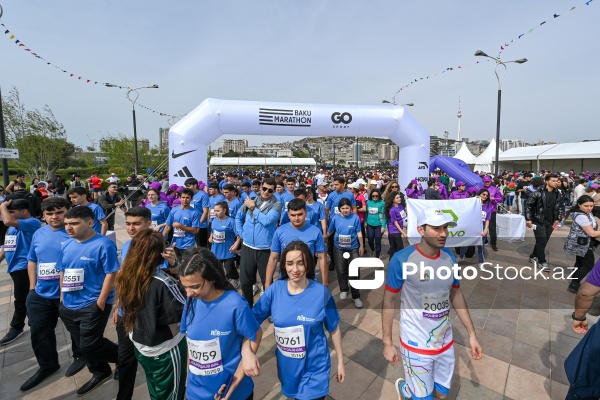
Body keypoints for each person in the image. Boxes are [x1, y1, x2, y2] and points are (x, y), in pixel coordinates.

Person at [382, 207, 483, 400]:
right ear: (421, 230)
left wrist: (471, 334)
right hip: (415, 343)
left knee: (441, 394)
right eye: (436, 228)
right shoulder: (402, 259)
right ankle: (408, 389)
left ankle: (408, 389)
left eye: (445, 227)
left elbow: (456, 293)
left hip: (444, 342)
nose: (443, 233)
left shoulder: (449, 257)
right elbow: (389, 300)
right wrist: (388, 342)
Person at [253, 241, 345, 400]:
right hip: (288, 370)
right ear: (283, 265)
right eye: (289, 263)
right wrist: (247, 352)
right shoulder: (275, 290)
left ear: (308, 264)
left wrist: (340, 362)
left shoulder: (321, 294)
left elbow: (334, 328)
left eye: (300, 263)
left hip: (315, 370)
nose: (295, 269)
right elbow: (250, 321)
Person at [179, 248, 262, 400]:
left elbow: (255, 333)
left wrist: (233, 385)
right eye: (185, 287)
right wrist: (187, 380)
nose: (188, 293)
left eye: (195, 286)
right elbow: (191, 345)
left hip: (233, 394)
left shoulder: (235, 305)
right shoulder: (191, 302)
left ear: (212, 278)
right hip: (195, 394)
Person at [21, 198, 84, 391]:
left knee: (76, 330)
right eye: (49, 213)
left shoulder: (76, 233)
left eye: (59, 212)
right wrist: (32, 288)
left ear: (68, 212)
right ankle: (47, 365)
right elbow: (32, 260)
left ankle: (81, 356)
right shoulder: (39, 233)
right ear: (43, 215)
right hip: (40, 294)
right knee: (39, 332)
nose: (54, 217)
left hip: (70, 293)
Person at [114, 206, 177, 400]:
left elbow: (167, 280)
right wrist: (118, 306)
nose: (131, 228)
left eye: (136, 224)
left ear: (149, 224)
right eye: (128, 224)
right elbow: (123, 278)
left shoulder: (155, 246)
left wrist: (174, 264)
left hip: (147, 318)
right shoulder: (126, 246)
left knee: (154, 369)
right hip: (126, 314)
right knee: (125, 359)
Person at [56, 206, 119, 396]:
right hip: (68, 304)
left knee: (89, 344)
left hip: (93, 303)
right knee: (82, 343)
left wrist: (101, 301)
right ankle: (100, 371)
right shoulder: (66, 244)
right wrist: (62, 297)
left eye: (74, 223)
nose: (69, 227)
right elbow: (62, 271)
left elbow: (111, 273)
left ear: (90, 223)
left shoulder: (103, 244)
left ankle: (124, 357)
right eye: (67, 223)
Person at [0, 199, 42, 345]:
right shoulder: (13, 226)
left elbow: (7, 220)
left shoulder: (33, 222)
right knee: (25, 296)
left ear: (23, 211)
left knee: (21, 298)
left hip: (24, 267)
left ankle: (17, 327)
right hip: (14, 267)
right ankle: (34, 320)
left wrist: (2, 206)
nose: (8, 214)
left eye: (11, 212)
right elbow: (8, 245)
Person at [235, 178, 282, 306]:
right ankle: (248, 307)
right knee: (245, 282)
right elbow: (238, 217)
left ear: (274, 192)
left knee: (267, 282)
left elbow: (267, 220)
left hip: (265, 249)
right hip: (247, 247)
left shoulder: (277, 204)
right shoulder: (252, 200)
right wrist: (242, 233)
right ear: (261, 187)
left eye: (270, 190)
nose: (266, 192)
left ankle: (269, 308)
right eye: (264, 188)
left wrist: (253, 208)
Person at [265, 198, 327, 289]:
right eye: (293, 215)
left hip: (308, 281)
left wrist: (325, 285)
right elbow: (273, 258)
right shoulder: (279, 231)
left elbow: (322, 258)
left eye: (300, 214)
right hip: (285, 280)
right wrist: (267, 285)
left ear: (306, 213)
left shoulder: (316, 231)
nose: (296, 218)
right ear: (288, 215)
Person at [328, 197, 364, 308]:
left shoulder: (355, 218)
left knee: (354, 272)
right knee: (341, 270)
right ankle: (344, 289)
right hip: (339, 248)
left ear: (350, 208)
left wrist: (361, 245)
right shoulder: (335, 218)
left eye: (347, 208)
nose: (345, 210)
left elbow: (359, 232)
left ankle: (356, 296)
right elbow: (330, 231)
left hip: (353, 248)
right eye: (343, 208)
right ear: (339, 209)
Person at [563, 195, 600, 293]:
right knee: (588, 265)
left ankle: (574, 281)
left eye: (591, 206)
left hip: (582, 243)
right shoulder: (581, 216)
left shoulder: (586, 213)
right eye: (586, 206)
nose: (589, 208)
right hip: (582, 244)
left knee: (580, 263)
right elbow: (591, 233)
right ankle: (574, 284)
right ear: (579, 205)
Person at [526, 173, 562, 272]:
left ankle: (533, 256)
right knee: (542, 241)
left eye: (557, 181)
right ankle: (541, 261)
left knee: (543, 241)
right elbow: (528, 206)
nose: (556, 183)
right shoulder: (537, 193)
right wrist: (528, 219)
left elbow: (559, 207)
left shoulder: (558, 193)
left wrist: (558, 218)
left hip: (551, 221)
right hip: (538, 220)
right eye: (553, 181)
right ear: (546, 181)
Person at [209, 201, 242, 289]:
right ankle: (220, 283)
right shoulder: (214, 220)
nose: (215, 213)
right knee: (217, 269)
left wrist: (236, 245)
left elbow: (239, 235)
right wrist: (211, 237)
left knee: (229, 268)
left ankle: (236, 278)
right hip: (216, 250)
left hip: (228, 250)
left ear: (224, 210)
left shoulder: (231, 221)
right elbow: (213, 231)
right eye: (214, 211)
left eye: (218, 211)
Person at [457, 189, 492, 268]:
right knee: (465, 243)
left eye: (486, 195)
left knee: (481, 246)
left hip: (481, 227)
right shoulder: (472, 203)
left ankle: (481, 261)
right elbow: (464, 206)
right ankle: (461, 257)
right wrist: (474, 199)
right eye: (483, 194)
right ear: (479, 194)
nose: (485, 196)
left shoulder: (487, 207)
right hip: (471, 227)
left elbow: (487, 219)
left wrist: (486, 229)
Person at [185, 178, 210, 247]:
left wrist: (198, 225)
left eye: (189, 186)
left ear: (195, 185)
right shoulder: (188, 195)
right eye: (186, 186)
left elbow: (205, 211)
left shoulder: (203, 195)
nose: (187, 188)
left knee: (201, 248)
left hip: (201, 226)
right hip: (189, 226)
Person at [482, 175, 503, 251]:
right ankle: (484, 241)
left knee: (492, 227)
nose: (487, 183)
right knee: (482, 226)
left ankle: (493, 243)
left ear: (490, 181)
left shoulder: (495, 189)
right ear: (483, 182)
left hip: (492, 210)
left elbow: (500, 199)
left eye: (488, 181)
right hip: (482, 210)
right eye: (485, 182)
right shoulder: (480, 189)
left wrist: (493, 198)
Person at [385, 191, 407, 257]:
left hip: (399, 230)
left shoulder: (400, 206)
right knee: (400, 247)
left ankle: (391, 260)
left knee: (394, 248)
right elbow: (395, 223)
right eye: (397, 198)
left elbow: (405, 212)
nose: (399, 199)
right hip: (394, 230)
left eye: (399, 197)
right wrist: (403, 233)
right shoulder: (392, 210)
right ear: (393, 200)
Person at [365, 188, 386, 258]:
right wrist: (365, 222)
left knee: (378, 241)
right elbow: (366, 213)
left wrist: (383, 226)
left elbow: (384, 215)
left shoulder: (382, 203)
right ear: (371, 196)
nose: (375, 197)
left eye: (376, 196)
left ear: (379, 196)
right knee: (370, 240)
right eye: (373, 196)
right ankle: (373, 250)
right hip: (370, 224)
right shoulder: (368, 202)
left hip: (379, 225)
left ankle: (377, 257)